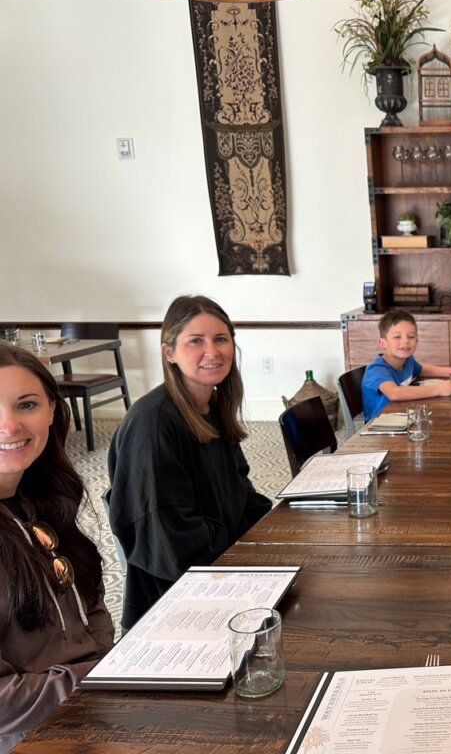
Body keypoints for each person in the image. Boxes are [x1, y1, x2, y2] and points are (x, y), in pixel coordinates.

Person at [106, 295, 272, 630]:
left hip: (222, 565)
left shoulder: (211, 406)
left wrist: (275, 535)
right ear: (169, 352)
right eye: (196, 341)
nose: (212, 352)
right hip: (177, 600)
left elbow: (241, 492)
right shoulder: (152, 424)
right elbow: (173, 542)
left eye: (221, 339)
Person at [0, 345, 114, 751]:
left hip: (90, 714)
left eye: (26, 404)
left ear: (51, 409)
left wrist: (105, 666)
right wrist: (96, 678)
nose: (9, 425)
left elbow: (92, 603)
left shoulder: (40, 499)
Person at [361, 308, 451, 421]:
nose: (405, 341)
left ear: (417, 341)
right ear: (383, 343)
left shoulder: (408, 360)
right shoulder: (376, 369)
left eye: (411, 336)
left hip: (402, 416)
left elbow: (422, 369)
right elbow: (394, 393)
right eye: (397, 337)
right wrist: (439, 389)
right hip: (379, 425)